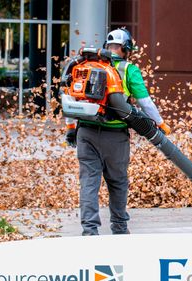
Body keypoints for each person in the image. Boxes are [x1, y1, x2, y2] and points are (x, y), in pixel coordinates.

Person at [66, 28, 170, 236]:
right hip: (115, 136)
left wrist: (70, 128)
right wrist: (160, 123)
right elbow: (145, 103)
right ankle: (120, 230)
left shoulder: (85, 65)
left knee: (88, 182)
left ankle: (90, 231)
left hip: (85, 132)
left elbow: (72, 98)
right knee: (118, 183)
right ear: (126, 49)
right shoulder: (129, 70)